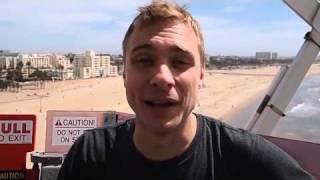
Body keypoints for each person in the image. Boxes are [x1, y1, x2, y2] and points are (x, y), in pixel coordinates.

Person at [57, 1, 315, 179]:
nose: (161, 77)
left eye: (180, 62)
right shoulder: (91, 154)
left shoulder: (248, 160)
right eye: (144, 60)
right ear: (124, 72)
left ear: (201, 75)